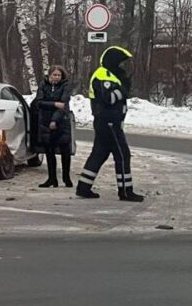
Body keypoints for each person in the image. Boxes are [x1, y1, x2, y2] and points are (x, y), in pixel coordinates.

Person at [76, 46, 144, 202]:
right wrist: (123, 90)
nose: (122, 67)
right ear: (112, 61)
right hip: (108, 122)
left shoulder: (111, 75)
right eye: (120, 63)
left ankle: (83, 187)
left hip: (109, 122)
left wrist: (121, 88)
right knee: (122, 155)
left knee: (99, 154)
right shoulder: (103, 75)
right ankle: (126, 192)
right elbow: (109, 98)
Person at [35, 65, 74, 188]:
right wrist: (54, 104)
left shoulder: (65, 86)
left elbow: (63, 105)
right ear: (49, 75)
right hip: (45, 122)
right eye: (54, 75)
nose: (56, 77)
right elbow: (39, 102)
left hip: (62, 121)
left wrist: (54, 120)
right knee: (49, 151)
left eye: (59, 75)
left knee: (65, 151)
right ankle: (52, 178)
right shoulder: (43, 85)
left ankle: (66, 178)